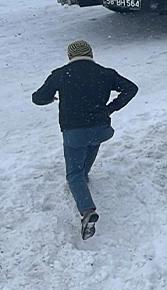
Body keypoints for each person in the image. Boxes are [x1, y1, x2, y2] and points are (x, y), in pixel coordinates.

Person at [32, 40, 138, 240]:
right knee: (91, 143)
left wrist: (50, 98)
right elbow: (131, 88)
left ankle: (87, 211)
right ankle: (84, 176)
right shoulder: (105, 73)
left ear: (70, 56)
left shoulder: (61, 74)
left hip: (74, 132)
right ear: (91, 54)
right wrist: (110, 108)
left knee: (73, 174)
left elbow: (37, 98)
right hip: (101, 129)